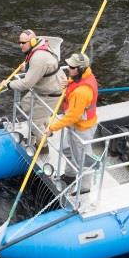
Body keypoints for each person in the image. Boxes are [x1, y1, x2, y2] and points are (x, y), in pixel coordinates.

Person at [0, 29, 67, 140]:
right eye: (19, 42)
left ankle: (43, 145)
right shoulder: (37, 46)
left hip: (51, 93)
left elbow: (27, 83)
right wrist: (26, 68)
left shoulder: (38, 58)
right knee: (26, 104)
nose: (20, 45)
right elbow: (39, 71)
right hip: (44, 87)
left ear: (31, 42)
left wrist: (8, 84)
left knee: (33, 123)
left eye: (23, 43)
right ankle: (46, 127)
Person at [45, 51, 98, 189]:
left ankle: (84, 189)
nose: (68, 68)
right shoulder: (84, 75)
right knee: (67, 149)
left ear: (80, 69)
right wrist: (68, 83)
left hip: (82, 129)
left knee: (83, 161)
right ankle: (70, 176)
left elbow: (72, 116)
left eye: (72, 67)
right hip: (76, 126)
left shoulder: (81, 92)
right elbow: (77, 82)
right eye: (69, 65)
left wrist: (52, 128)